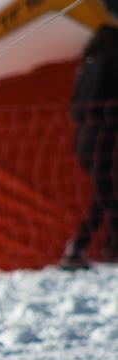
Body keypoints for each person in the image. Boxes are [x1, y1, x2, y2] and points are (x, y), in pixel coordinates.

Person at [60, 21, 118, 269]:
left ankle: (90, 247)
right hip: (101, 136)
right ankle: (100, 248)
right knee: (108, 195)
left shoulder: (86, 65)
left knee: (103, 194)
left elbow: (74, 107)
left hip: (83, 138)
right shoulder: (112, 61)